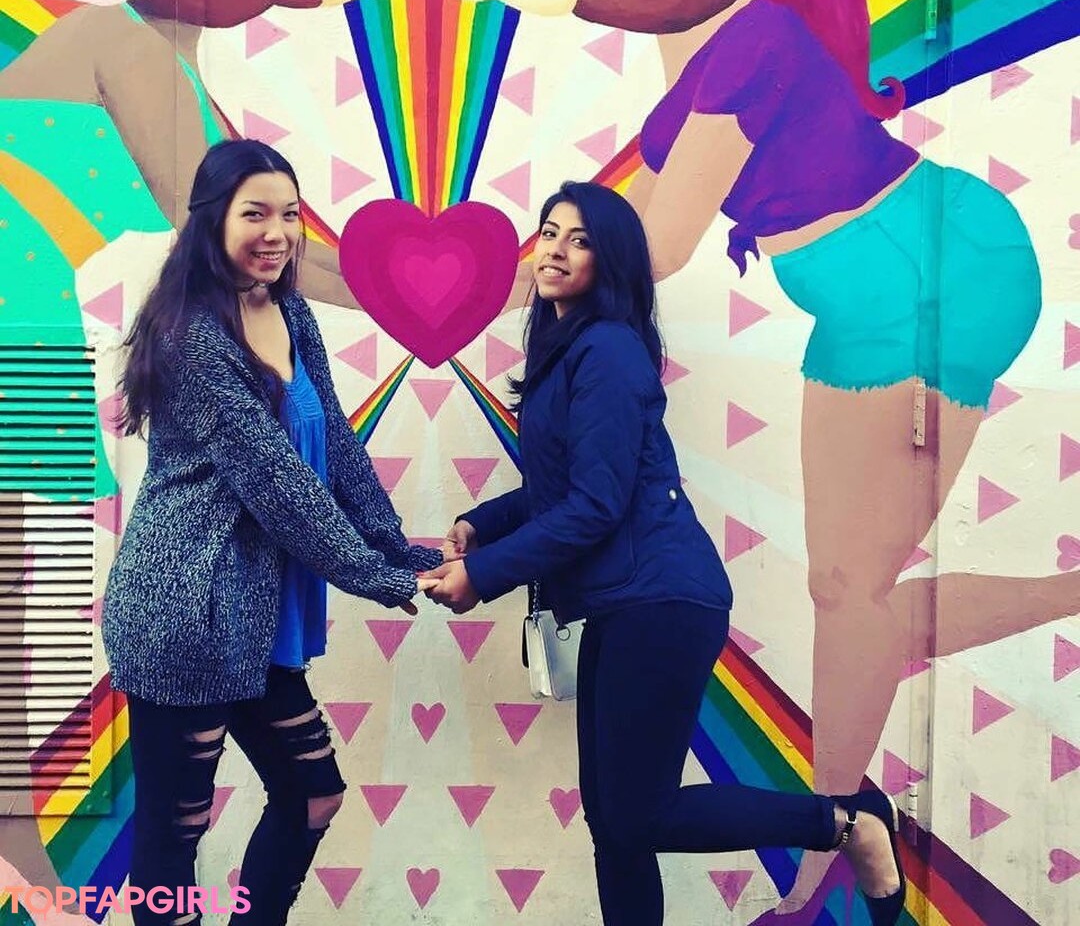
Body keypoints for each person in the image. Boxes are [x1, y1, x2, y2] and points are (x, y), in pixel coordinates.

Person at [420, 181, 908, 926]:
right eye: (549, 232)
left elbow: (596, 504)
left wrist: (482, 576)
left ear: (610, 260)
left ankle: (846, 823)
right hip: (625, 601)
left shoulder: (607, 350)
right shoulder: (570, 352)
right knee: (615, 825)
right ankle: (841, 822)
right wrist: (480, 525)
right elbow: (567, 485)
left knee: (638, 815)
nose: (556, 249)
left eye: (580, 239)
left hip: (659, 601)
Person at [101, 139, 444, 926]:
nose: (278, 233)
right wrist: (380, 576)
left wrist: (397, 546)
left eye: (290, 214)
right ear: (211, 219)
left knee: (312, 794)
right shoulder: (192, 336)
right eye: (255, 213)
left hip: (253, 621)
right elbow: (279, 486)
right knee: (176, 831)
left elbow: (336, 445)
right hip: (185, 613)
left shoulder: (289, 311)